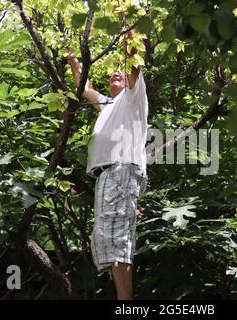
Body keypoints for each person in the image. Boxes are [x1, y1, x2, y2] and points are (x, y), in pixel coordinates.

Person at [67, 27, 148, 300]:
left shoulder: (133, 98)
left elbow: (134, 66)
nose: (116, 73)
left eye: (120, 73)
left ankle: (125, 303)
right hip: (108, 175)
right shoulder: (108, 104)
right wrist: (71, 58)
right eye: (112, 73)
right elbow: (85, 87)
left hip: (121, 169)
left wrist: (129, 31)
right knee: (106, 238)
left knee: (117, 238)